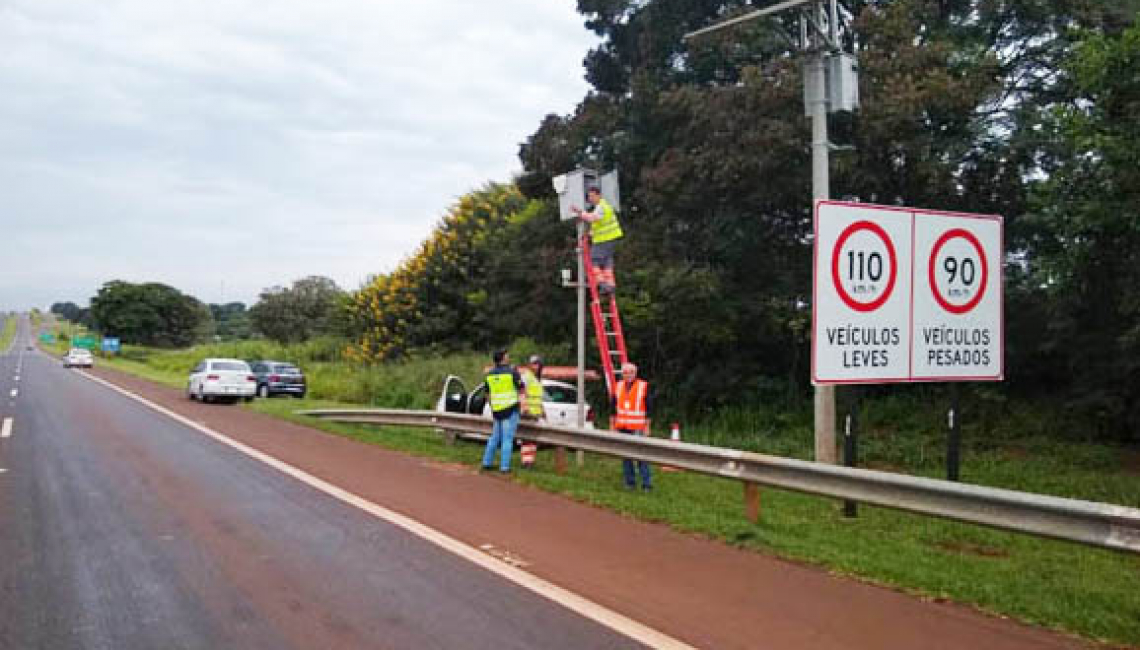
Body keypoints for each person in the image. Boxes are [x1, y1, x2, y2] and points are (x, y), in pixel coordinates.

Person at [572, 186, 622, 294]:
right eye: (589, 196)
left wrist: (580, 213)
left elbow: (592, 218)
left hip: (603, 240)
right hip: (610, 239)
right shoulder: (606, 206)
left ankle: (603, 284)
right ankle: (611, 285)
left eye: (592, 196)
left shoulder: (601, 207)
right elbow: (600, 225)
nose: (590, 198)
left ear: (599, 195)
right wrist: (590, 234)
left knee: (593, 260)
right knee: (607, 262)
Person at [612, 361, 653, 491]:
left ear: (635, 373)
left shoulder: (643, 386)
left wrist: (647, 426)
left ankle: (646, 484)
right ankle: (630, 483)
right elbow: (612, 407)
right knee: (626, 456)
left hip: (638, 427)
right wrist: (612, 426)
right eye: (625, 372)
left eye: (631, 372)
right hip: (622, 426)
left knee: (641, 456)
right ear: (622, 374)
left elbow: (649, 408)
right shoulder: (617, 386)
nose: (628, 375)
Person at [482, 348, 522, 474]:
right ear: (503, 358)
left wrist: (493, 406)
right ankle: (504, 467)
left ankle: (487, 463)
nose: (509, 357)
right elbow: (522, 388)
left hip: (497, 410)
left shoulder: (489, 375)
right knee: (507, 439)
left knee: (494, 438)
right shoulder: (512, 373)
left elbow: (487, 394)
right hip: (510, 410)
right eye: (507, 355)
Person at [518, 355, 545, 469]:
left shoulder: (536, 379)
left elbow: (538, 397)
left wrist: (543, 411)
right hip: (527, 412)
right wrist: (524, 408)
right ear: (529, 365)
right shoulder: (526, 377)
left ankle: (530, 461)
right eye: (534, 364)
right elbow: (520, 392)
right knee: (527, 439)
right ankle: (526, 462)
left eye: (538, 364)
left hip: (536, 413)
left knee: (533, 439)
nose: (536, 366)